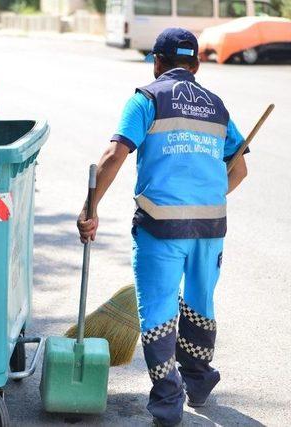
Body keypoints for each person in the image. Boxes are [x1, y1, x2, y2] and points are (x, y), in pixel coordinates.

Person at [77, 28, 249, 426]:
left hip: (161, 225)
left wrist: (90, 207)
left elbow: (114, 154)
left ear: (156, 62)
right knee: (200, 305)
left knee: (158, 312)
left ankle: (169, 406)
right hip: (210, 226)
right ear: (196, 64)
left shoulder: (147, 98)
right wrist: (204, 192)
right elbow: (238, 168)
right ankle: (200, 383)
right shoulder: (216, 106)